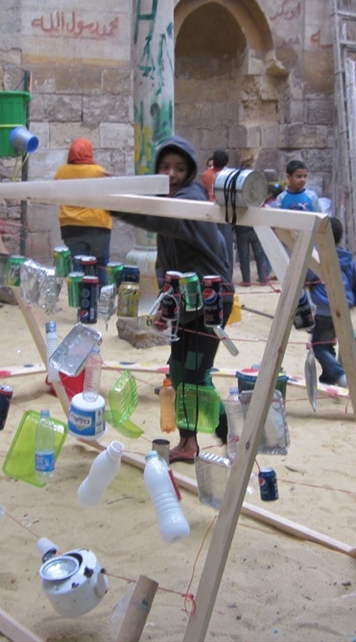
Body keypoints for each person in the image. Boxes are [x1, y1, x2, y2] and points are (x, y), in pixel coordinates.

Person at [115, 136, 234, 463]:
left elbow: (156, 216)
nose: (171, 173)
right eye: (165, 167)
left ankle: (234, 437)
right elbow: (168, 264)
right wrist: (165, 308)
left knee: (197, 375)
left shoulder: (188, 200)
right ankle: (188, 442)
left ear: (191, 171)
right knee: (179, 372)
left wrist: (111, 202)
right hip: (185, 301)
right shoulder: (170, 203)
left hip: (210, 301)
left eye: (179, 168)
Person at [306, 217, 356, 387]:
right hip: (343, 307)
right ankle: (328, 377)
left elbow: (306, 281)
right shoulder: (348, 258)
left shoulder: (318, 257)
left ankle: (338, 374)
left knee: (318, 346)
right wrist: (351, 304)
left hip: (324, 310)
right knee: (328, 342)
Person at [53, 137, 113, 285]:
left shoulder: (62, 172)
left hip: (71, 227)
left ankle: (82, 303)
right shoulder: (98, 171)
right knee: (101, 264)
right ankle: (102, 301)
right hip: (99, 225)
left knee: (78, 266)